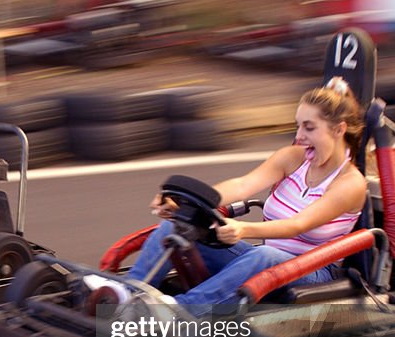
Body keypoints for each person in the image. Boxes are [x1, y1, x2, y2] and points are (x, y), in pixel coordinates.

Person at [127, 78, 367, 318]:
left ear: (338, 129)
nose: (300, 136)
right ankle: (125, 297)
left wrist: (243, 229)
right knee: (174, 226)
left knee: (265, 255)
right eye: (298, 126)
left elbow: (298, 225)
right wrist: (186, 202)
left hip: (313, 271)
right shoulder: (293, 158)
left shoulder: (349, 183)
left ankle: (178, 312)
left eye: (309, 127)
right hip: (265, 260)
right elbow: (242, 185)